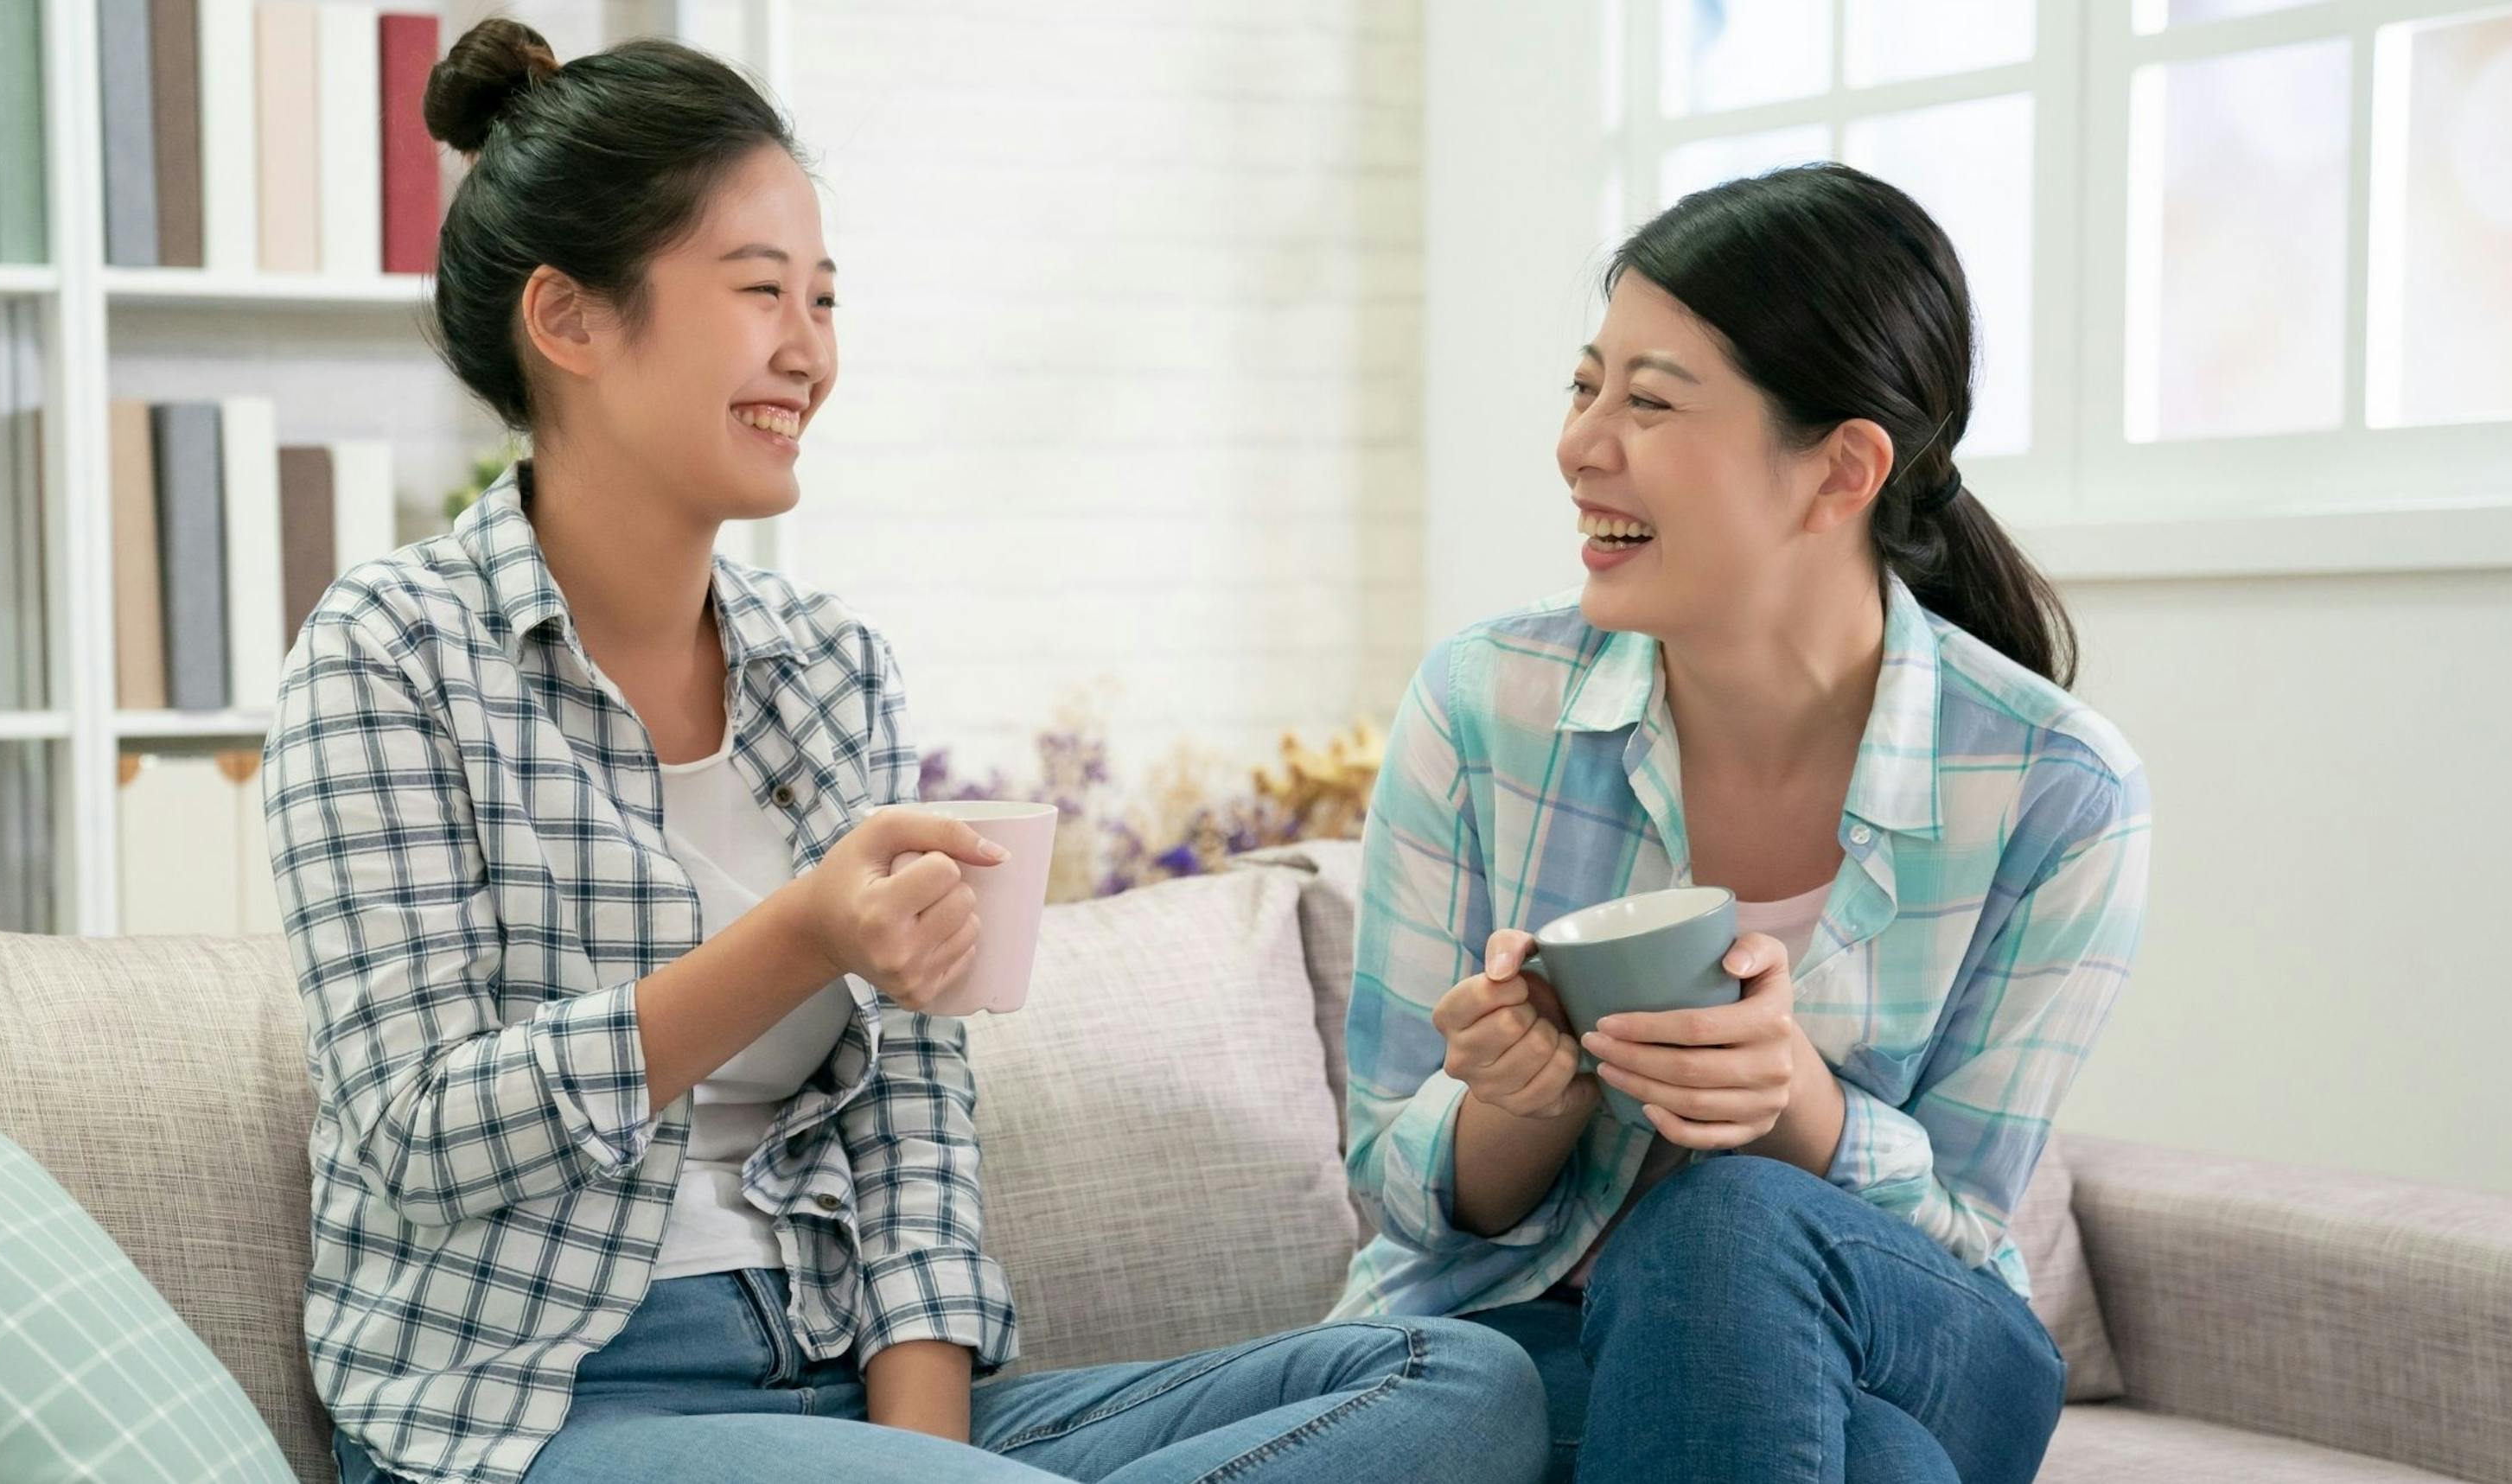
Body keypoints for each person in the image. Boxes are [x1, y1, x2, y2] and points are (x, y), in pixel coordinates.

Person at [262, 21, 1547, 1484]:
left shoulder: (832, 671)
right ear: (569, 320)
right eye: (761, 292)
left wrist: (929, 1453)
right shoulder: (391, 654)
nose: (810, 351)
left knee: (1460, 1381)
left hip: (841, 1396)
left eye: (824, 298)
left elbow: (913, 1125)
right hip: (543, 1413)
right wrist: (803, 935)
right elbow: (418, 1130)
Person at [1331, 163, 2151, 1484]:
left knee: (1725, 1219)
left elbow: (1962, 1221)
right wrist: (1525, 1098)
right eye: (1585, 387)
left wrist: (1794, 1105)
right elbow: (1396, 1181)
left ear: (1841, 469)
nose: (1581, 444)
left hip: (1920, 1335)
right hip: (1541, 1332)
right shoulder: (1484, 705)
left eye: (1650, 402)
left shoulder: (2055, 790)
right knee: (1876, 1466)